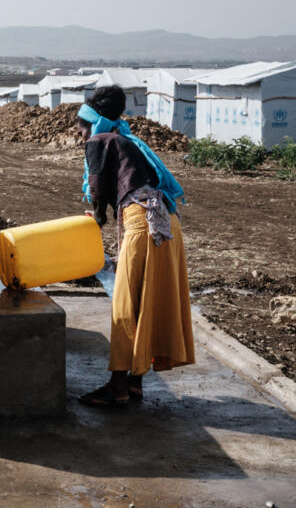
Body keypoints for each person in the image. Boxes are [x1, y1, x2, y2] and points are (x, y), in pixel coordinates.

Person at [75, 85, 195, 408]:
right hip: (167, 224)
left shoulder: (99, 142)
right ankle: (135, 383)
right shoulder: (128, 141)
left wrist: (92, 221)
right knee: (146, 302)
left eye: (82, 126)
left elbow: (100, 208)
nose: (80, 133)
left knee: (125, 306)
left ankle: (117, 386)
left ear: (94, 124)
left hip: (142, 225)